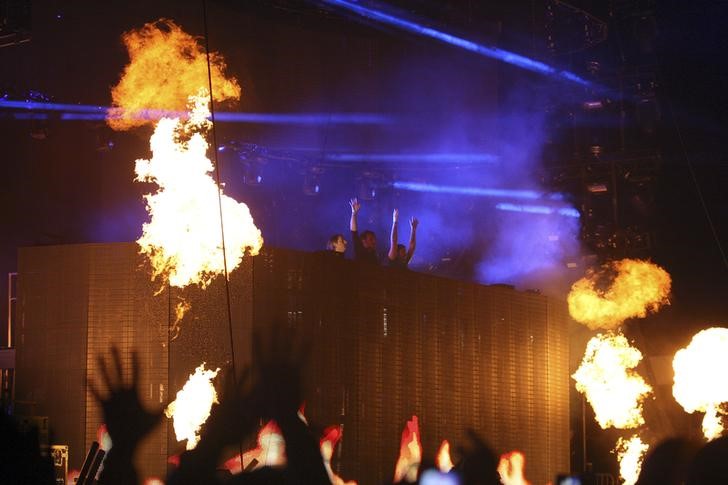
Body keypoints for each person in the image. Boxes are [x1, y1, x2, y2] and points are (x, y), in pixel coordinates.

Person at [349, 197, 378, 264]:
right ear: (363, 241)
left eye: (374, 239)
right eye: (371, 239)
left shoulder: (374, 253)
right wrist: (354, 213)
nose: (374, 241)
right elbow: (354, 232)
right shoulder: (359, 250)